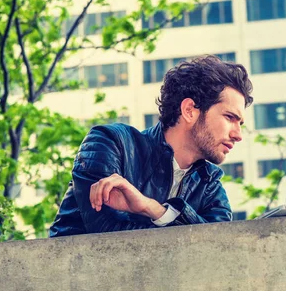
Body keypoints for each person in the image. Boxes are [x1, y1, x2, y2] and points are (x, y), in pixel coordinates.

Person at [49, 55, 253, 237]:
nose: (238, 135)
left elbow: (220, 250)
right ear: (190, 110)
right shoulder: (112, 144)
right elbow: (109, 241)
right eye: (229, 118)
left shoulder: (209, 184)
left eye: (240, 123)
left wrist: (153, 209)